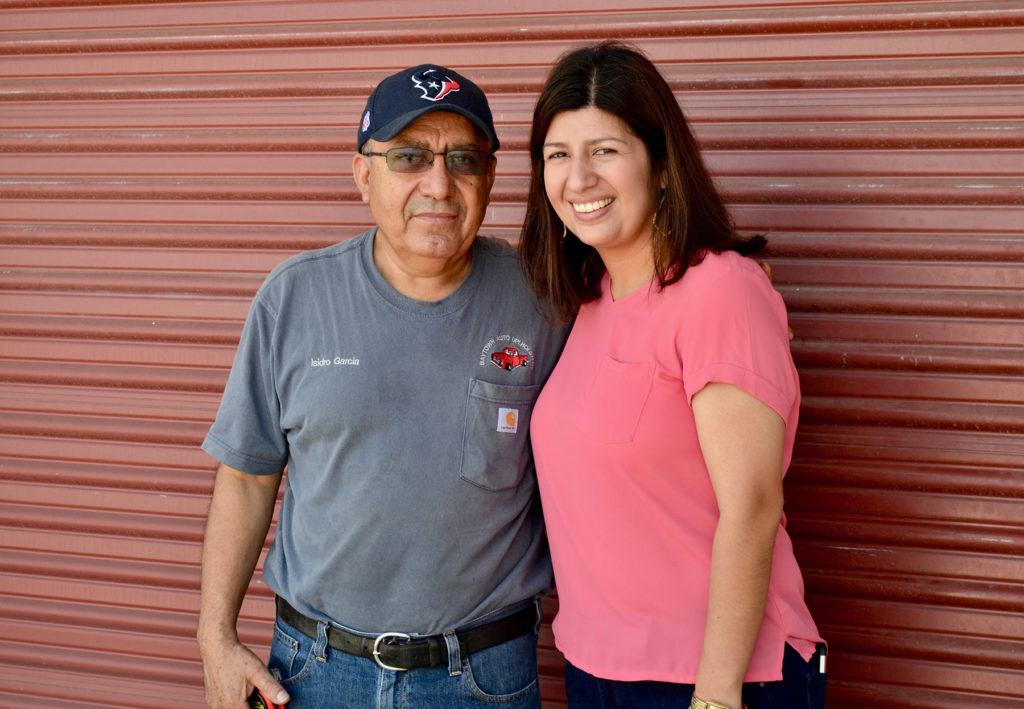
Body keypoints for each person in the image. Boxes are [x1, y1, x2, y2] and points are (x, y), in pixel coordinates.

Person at [197, 63, 567, 708]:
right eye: (409, 157)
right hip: (314, 674)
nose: (439, 185)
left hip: (483, 679)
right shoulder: (296, 298)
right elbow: (248, 477)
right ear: (364, 175)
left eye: (464, 160)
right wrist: (215, 637)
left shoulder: (543, 301)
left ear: (491, 179)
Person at [519, 42, 826, 709]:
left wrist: (715, 696)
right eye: (557, 155)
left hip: (717, 676)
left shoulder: (721, 291)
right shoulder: (590, 302)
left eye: (605, 150)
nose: (578, 179)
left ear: (661, 165)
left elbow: (751, 505)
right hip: (595, 667)